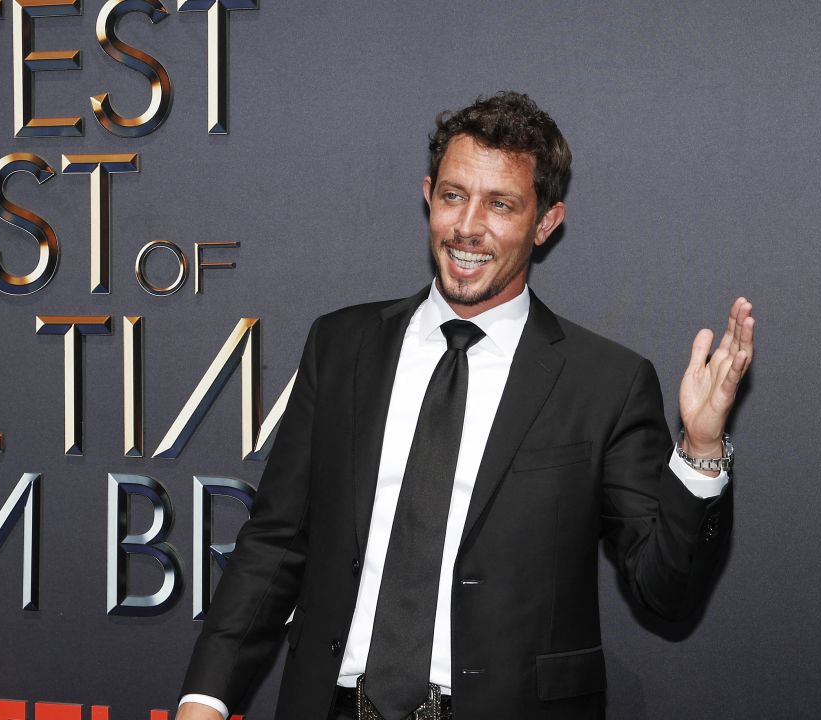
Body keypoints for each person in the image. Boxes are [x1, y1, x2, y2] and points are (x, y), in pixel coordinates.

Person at [173, 92, 754, 720]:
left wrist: (698, 452)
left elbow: (664, 590)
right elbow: (275, 543)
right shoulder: (342, 345)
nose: (467, 226)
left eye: (500, 204)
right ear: (428, 193)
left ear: (546, 221)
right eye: (453, 195)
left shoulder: (603, 382)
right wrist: (205, 698)